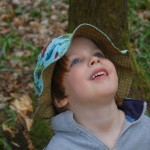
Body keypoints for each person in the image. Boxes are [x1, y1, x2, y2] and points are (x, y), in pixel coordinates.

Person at [34, 23, 150, 150]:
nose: (95, 59)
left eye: (99, 54)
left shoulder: (146, 129)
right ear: (59, 97)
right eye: (76, 61)